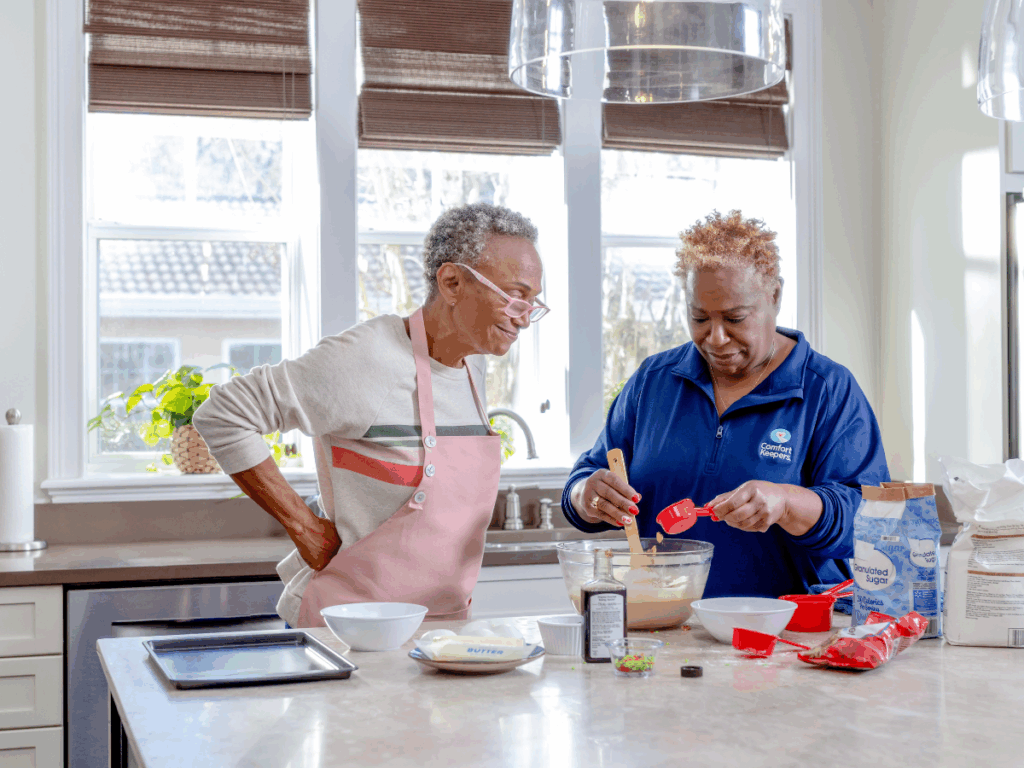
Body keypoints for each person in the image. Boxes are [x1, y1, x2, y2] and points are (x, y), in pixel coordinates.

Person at [194, 202, 549, 627]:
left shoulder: (473, 364)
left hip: (437, 629)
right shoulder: (366, 359)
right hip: (348, 629)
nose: (524, 319)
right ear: (452, 283)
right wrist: (303, 526)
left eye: (532, 302)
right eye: (514, 296)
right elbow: (224, 413)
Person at [561, 210, 888, 598]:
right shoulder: (654, 381)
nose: (715, 338)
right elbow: (590, 477)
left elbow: (870, 524)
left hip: (789, 633)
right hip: (668, 622)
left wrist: (787, 502)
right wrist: (586, 495)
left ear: (775, 296)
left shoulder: (827, 390)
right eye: (699, 318)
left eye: (735, 318)